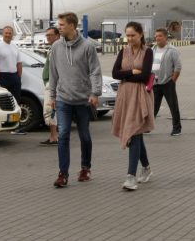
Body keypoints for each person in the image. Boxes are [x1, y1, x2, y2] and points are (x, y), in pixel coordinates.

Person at [46, 11, 102, 188]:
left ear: (72, 25)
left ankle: (85, 168)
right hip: (63, 99)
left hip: (83, 100)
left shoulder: (87, 47)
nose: (58, 28)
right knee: (63, 135)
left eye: (61, 25)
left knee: (85, 136)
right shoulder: (56, 47)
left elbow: (95, 71)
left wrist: (95, 93)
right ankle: (63, 174)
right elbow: (53, 73)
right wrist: (53, 96)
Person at [111, 21, 155, 190]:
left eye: (133, 35)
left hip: (140, 96)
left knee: (134, 132)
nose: (129, 38)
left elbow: (144, 75)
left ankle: (131, 177)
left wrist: (126, 76)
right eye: (127, 35)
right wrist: (131, 72)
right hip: (125, 96)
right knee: (135, 132)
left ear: (141, 34)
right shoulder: (123, 51)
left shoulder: (147, 52)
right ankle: (146, 168)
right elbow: (115, 73)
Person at [0, 25, 25, 135]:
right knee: (1, 102)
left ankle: (15, 127)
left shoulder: (15, 47)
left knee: (16, 102)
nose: (8, 35)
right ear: (3, 34)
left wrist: (19, 77)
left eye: (10, 33)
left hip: (14, 76)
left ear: (12, 35)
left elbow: (19, 63)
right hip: (2, 76)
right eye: (6, 33)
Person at [151, 28, 182, 136]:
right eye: (156, 36)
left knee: (173, 106)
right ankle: (148, 126)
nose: (157, 38)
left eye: (159, 36)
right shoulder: (153, 49)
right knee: (153, 106)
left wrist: (172, 81)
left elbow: (178, 67)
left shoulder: (172, 50)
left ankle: (177, 128)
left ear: (165, 37)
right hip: (155, 83)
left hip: (168, 83)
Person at [40, 26, 61, 145]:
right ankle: (53, 136)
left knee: (50, 110)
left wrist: (52, 85)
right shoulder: (52, 48)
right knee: (51, 110)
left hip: (52, 84)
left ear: (57, 36)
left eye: (50, 35)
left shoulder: (57, 49)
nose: (48, 37)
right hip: (49, 83)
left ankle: (54, 137)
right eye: (46, 35)